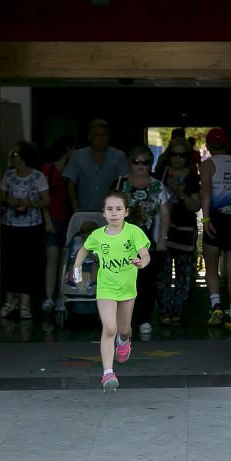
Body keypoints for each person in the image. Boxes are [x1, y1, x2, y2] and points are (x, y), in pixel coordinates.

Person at [72, 191, 150, 392]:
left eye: (118, 209)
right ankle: (108, 374)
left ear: (126, 212)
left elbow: (145, 253)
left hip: (127, 289)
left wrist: (142, 262)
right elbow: (83, 250)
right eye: (109, 209)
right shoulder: (97, 236)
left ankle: (124, 341)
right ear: (103, 213)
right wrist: (77, 268)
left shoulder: (133, 232)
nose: (114, 213)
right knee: (109, 328)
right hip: (106, 288)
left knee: (123, 329)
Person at [113, 144, 170, 337]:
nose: (140, 166)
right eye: (136, 161)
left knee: (146, 284)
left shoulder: (158, 186)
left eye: (145, 162)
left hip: (149, 244)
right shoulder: (119, 184)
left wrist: (163, 238)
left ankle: (144, 319)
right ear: (129, 163)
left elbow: (165, 213)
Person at [200, 128, 231, 330]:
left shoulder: (208, 164)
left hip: (217, 217)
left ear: (208, 146)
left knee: (211, 265)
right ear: (227, 144)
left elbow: (205, 191)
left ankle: (216, 306)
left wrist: (206, 218)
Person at [0, 140, 50, 320]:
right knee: (10, 264)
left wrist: (31, 203)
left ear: (24, 158)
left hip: (31, 226)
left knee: (29, 265)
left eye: (15, 155)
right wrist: (8, 201)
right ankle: (9, 301)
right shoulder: (9, 176)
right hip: (10, 225)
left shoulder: (38, 177)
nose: (13, 158)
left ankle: (25, 304)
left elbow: (46, 200)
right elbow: (0, 197)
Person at [162, 137, 201, 324]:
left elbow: (196, 206)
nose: (177, 158)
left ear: (188, 157)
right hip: (164, 229)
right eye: (174, 154)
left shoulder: (192, 176)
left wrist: (181, 195)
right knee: (163, 273)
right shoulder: (161, 173)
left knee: (184, 274)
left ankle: (177, 309)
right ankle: (164, 310)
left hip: (185, 230)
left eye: (182, 155)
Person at [63, 119, 128, 212]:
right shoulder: (77, 156)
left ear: (109, 137)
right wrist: (75, 207)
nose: (101, 139)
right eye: (97, 135)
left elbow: (124, 184)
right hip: (84, 210)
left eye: (104, 135)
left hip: (111, 212)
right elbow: (70, 184)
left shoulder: (119, 156)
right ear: (89, 137)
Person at [41, 134, 75, 313]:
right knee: (52, 259)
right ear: (69, 149)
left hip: (69, 218)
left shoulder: (73, 170)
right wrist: (47, 220)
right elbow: (43, 196)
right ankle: (49, 298)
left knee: (66, 260)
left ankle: (63, 296)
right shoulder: (49, 169)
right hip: (53, 218)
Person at [62, 220, 99, 295]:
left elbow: (98, 259)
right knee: (72, 265)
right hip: (77, 261)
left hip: (91, 263)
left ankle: (93, 284)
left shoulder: (97, 243)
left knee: (95, 266)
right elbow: (70, 255)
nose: (85, 238)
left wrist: (89, 254)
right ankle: (72, 282)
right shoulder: (76, 240)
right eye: (83, 235)